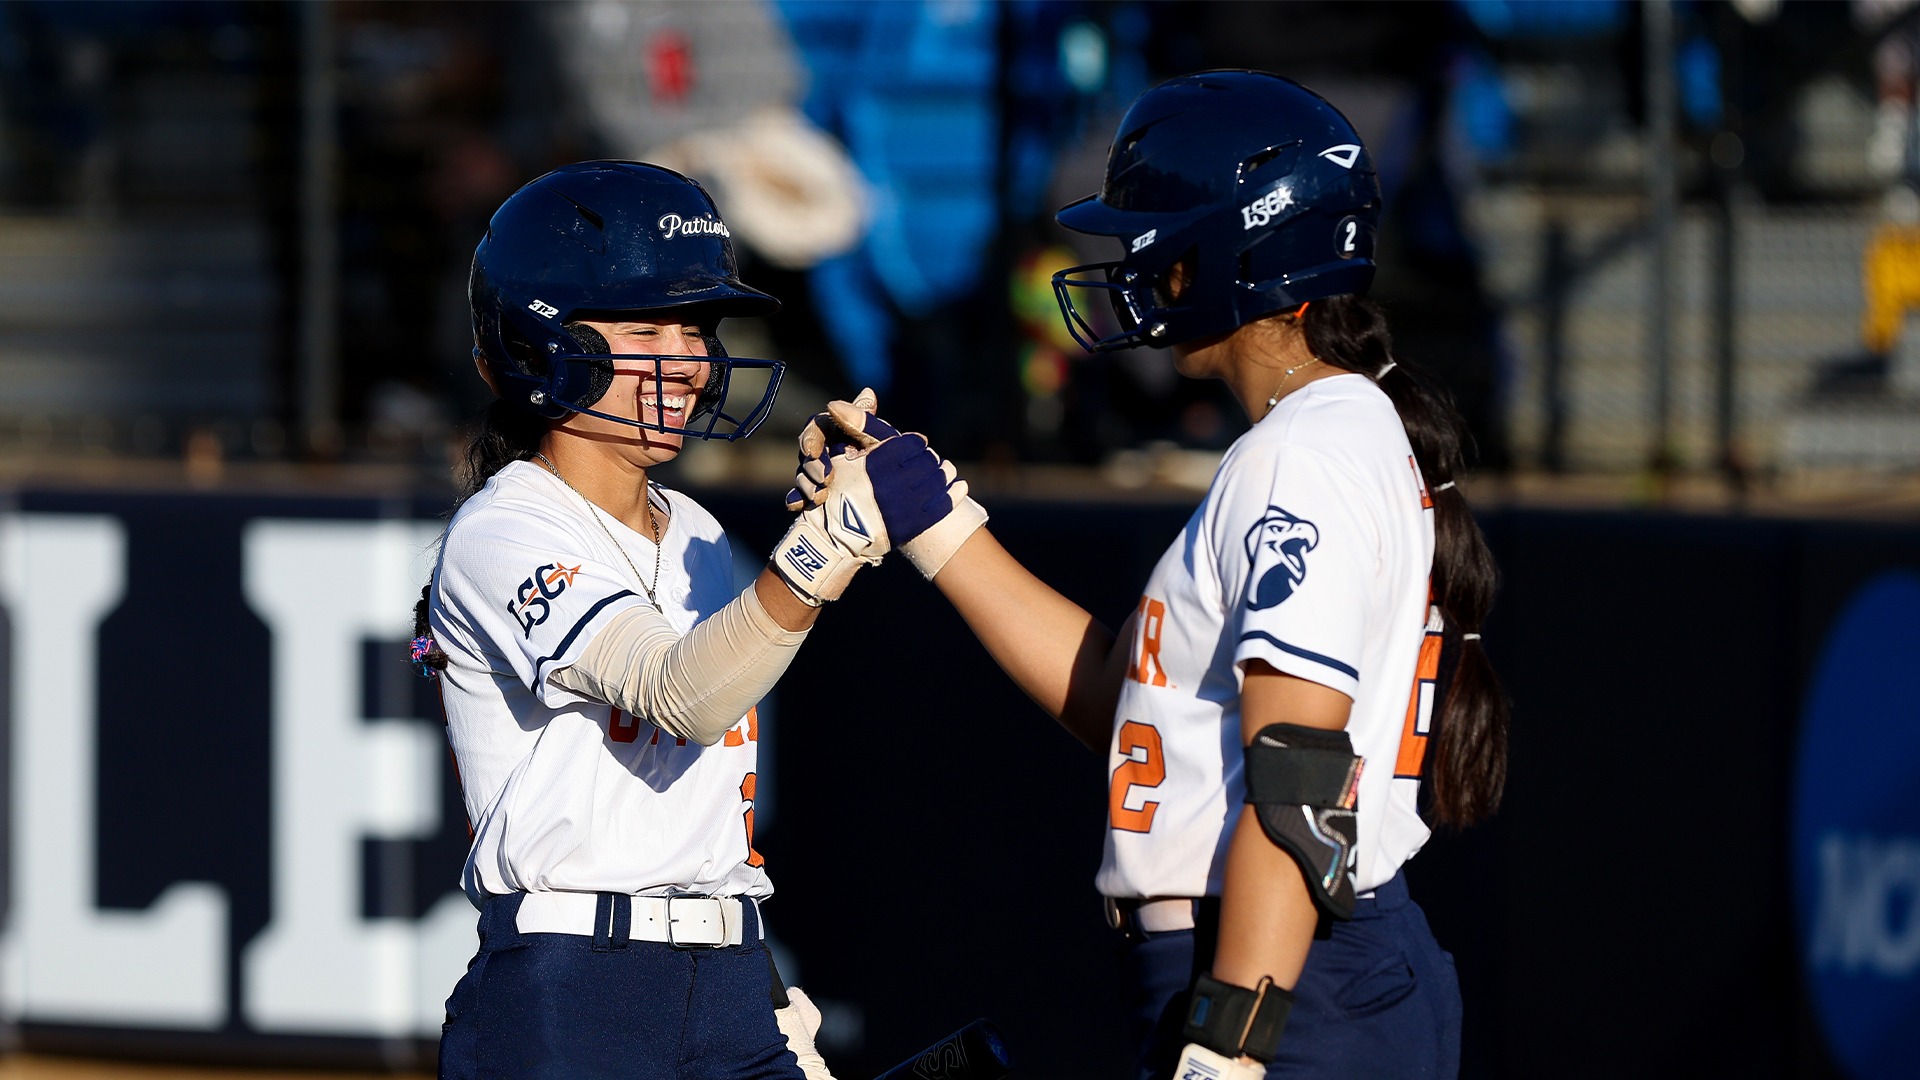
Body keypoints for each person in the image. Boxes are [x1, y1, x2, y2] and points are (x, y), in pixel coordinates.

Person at [791, 71, 1508, 1079]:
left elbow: (1300, 781)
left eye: (1156, 237)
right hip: (1288, 973)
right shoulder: (1324, 433)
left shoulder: (1305, 452)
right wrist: (927, 514)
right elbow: (1123, 700)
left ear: (1236, 247)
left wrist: (1227, 1045)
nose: (1135, 261)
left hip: (1284, 984)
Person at [411, 160, 883, 1080]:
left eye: (696, 327)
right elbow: (680, 694)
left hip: (732, 978)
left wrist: (762, 987)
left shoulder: (702, 532)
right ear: (543, 345)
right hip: (572, 986)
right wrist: (832, 545)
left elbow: (701, 811)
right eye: (647, 326)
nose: (689, 356)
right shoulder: (504, 527)